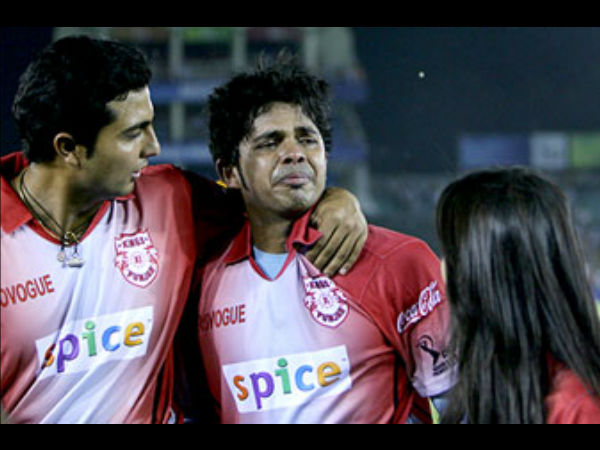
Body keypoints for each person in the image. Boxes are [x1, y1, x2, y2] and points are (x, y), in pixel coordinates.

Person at [0, 36, 368, 424]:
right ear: (68, 147)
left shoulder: (171, 197)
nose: (153, 147)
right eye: (133, 133)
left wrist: (336, 200)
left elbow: (267, 201)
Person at [182, 55, 456, 424]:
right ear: (229, 172)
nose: (294, 153)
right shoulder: (203, 287)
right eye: (269, 143)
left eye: (307, 139)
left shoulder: (397, 261)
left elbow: (460, 403)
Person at [435, 167, 600, 424]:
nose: (442, 268)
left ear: (488, 276)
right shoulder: (501, 383)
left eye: (453, 254)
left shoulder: (578, 406)